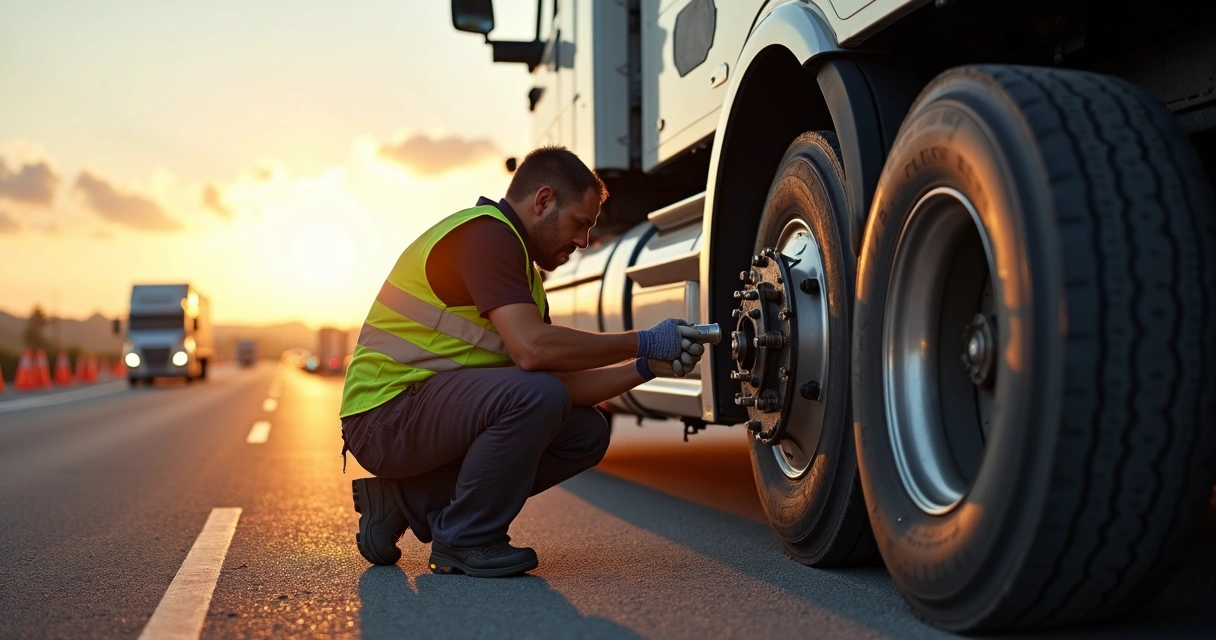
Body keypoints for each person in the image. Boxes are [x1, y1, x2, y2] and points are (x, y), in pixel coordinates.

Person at [340, 146, 706, 577]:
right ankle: (466, 537)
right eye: (580, 223)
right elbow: (534, 351)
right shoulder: (485, 236)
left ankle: (400, 502)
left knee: (585, 433)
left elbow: (564, 386)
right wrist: (643, 341)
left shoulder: (524, 277)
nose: (583, 242)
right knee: (538, 395)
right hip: (383, 416)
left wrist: (646, 367)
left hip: (420, 412)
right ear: (543, 201)